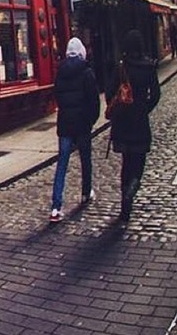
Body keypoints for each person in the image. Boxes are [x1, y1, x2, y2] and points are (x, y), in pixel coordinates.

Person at [108, 29, 160, 223]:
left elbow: (110, 93)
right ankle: (133, 188)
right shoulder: (148, 67)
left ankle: (125, 208)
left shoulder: (121, 68)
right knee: (138, 164)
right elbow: (155, 95)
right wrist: (144, 108)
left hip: (122, 123)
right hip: (140, 123)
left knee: (125, 164)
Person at [49, 37, 100, 223]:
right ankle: (86, 192)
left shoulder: (60, 72)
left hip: (65, 124)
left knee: (62, 164)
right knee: (86, 161)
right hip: (82, 124)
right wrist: (90, 121)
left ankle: (55, 207)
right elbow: (94, 101)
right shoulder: (86, 72)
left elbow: (58, 97)